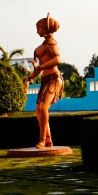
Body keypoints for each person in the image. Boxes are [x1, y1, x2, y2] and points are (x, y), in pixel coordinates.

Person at [26, 14, 63, 149]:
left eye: (39, 27)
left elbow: (57, 60)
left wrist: (40, 67)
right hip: (44, 80)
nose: (37, 31)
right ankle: (48, 140)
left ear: (46, 28)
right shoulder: (43, 45)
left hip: (53, 79)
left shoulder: (52, 43)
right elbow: (37, 69)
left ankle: (42, 140)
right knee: (38, 110)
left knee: (43, 108)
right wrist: (29, 78)